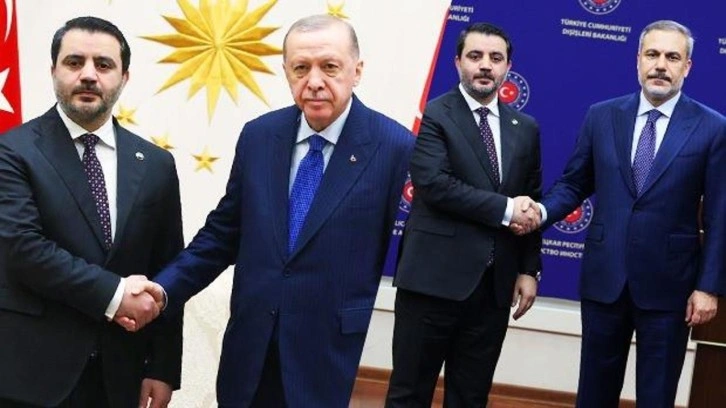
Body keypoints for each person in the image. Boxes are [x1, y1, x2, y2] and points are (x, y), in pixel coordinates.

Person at [130, 14, 413, 408]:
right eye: (301, 68)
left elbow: (409, 252)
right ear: (286, 72)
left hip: (326, 354)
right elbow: (222, 234)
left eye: (329, 67)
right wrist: (163, 290)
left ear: (357, 71)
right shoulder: (260, 136)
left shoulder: (395, 147)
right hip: (250, 349)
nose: (314, 81)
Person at [522, 20, 725, 407]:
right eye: (652, 54)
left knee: (656, 396)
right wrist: (541, 211)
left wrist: (708, 287)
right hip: (606, 278)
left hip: (670, 287)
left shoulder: (713, 128)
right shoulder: (602, 116)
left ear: (687, 67)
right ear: (637, 60)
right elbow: (574, 184)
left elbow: (719, 216)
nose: (660, 65)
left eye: (672, 57)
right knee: (594, 394)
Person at [0, 17, 184, 408]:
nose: (88, 75)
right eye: (74, 62)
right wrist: (115, 294)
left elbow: (168, 267)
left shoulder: (156, 164)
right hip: (31, 378)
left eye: (103, 64)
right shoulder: (13, 150)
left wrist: (163, 367)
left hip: (121, 377)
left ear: (124, 77)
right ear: (53, 71)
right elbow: (22, 247)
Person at [385, 22, 543, 407]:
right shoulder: (435, 113)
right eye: (475, 56)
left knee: (471, 398)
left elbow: (532, 199)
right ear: (458, 63)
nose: (485, 65)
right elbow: (434, 185)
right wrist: (506, 209)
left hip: (492, 289)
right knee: (409, 394)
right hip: (431, 283)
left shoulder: (525, 128)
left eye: (495, 58)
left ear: (508, 67)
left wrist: (528, 269)